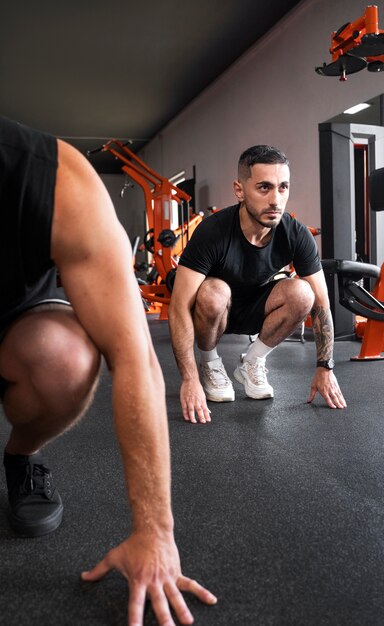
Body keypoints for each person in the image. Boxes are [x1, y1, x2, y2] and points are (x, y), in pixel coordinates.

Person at [0, 116, 217, 625]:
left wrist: (154, 534)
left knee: (67, 359)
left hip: (18, 319)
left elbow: (135, 356)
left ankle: (22, 456)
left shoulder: (54, 180)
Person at [168, 144, 347, 424]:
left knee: (303, 292)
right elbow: (179, 306)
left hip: (258, 308)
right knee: (215, 291)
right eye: (264, 188)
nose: (276, 200)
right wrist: (189, 379)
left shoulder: (296, 234)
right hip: (215, 309)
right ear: (239, 190)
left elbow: (321, 303)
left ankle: (252, 361)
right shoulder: (213, 231)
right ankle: (210, 363)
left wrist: (325, 367)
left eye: (283, 187)